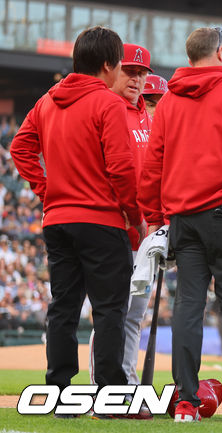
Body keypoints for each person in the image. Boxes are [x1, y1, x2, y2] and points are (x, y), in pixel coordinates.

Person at [138, 27, 222, 424]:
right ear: (220, 52)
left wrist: (154, 219)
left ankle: (185, 404)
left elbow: (153, 165)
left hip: (184, 219)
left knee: (187, 307)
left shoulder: (167, 103)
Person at [9, 26, 145, 415]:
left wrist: (46, 189)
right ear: (107, 64)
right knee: (108, 311)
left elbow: (20, 147)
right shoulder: (108, 104)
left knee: (63, 309)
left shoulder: (48, 100)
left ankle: (60, 393)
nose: (122, 71)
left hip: (57, 219)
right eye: (120, 64)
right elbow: (121, 168)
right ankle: (109, 397)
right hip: (102, 221)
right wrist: (134, 217)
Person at [87, 43, 154, 393]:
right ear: (112, 69)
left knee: (134, 316)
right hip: (113, 227)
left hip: (143, 234)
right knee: (112, 314)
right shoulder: (107, 109)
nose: (137, 79)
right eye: (130, 71)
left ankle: (125, 385)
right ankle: (101, 388)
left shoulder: (143, 113)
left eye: (143, 73)